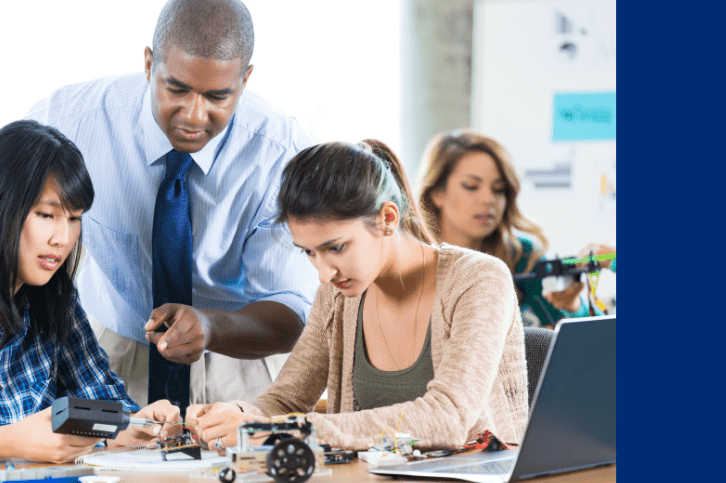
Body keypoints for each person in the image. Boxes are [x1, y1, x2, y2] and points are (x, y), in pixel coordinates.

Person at [24, 0, 317, 411]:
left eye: (218, 96)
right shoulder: (67, 120)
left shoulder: (282, 155)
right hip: (110, 349)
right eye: (176, 89)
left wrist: (211, 327)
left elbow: (295, 309)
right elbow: (1, 224)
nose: (195, 115)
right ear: (149, 64)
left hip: (242, 360)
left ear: (245, 80)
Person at [186, 140, 528, 452]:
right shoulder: (337, 295)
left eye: (335, 247)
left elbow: (448, 418)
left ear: (387, 219)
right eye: (309, 252)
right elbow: (286, 400)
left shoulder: (479, 279)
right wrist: (237, 414)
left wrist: (288, 431)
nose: (324, 273)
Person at [0, 120, 180, 464]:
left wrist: (129, 427)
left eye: (74, 218)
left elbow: (101, 399)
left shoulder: (57, 301)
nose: (62, 238)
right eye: (46, 215)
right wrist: (10, 442)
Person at [416, 129, 604, 327]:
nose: (489, 199)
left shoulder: (523, 257)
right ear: (437, 192)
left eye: (499, 189)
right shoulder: (408, 262)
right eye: (471, 186)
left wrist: (573, 306)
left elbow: (601, 341)